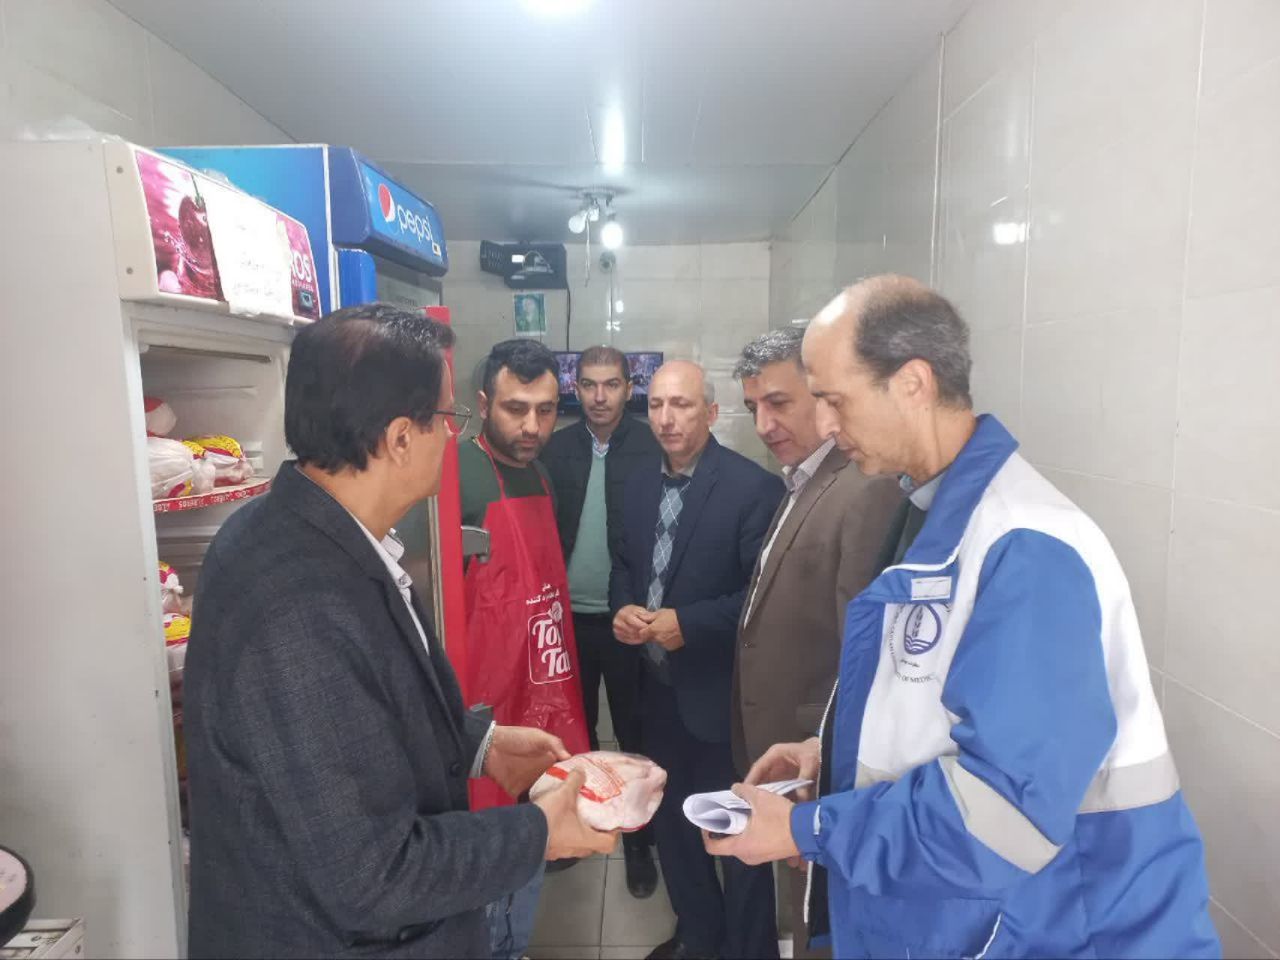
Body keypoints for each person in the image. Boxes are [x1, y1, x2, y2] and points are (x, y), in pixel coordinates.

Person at [705, 277, 1220, 959]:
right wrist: (832, 758)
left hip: (1060, 930)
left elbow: (1002, 813)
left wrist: (811, 829)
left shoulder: (1025, 547)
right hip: (981, 918)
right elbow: (932, 702)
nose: (824, 425)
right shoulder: (929, 514)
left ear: (912, 383)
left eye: (835, 399)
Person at [184, 304, 616, 960]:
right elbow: (373, 874)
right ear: (400, 439)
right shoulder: (296, 603)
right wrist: (537, 832)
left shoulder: (321, 536)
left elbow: (361, 715)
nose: (452, 436)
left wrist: (482, 744)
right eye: (446, 417)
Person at [730, 327, 901, 958]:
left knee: (820, 927)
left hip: (818, 765)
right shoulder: (805, 477)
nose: (764, 424)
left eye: (779, 402)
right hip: (790, 756)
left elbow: (865, 657)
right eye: (753, 407)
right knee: (799, 921)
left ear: (824, 394)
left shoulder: (863, 487)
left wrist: (824, 774)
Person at [611, 360, 785, 960]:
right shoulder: (637, 484)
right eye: (656, 404)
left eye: (681, 404)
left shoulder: (752, 489)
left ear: (710, 412)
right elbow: (625, 565)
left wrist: (688, 624)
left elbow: (760, 600)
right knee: (674, 828)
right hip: (656, 691)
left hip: (721, 698)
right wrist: (622, 607)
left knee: (733, 828)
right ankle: (698, 936)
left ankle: (749, 949)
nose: (666, 418)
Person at [457, 337, 592, 958]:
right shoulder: (456, 473)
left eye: (545, 410)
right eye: (516, 409)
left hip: (541, 678)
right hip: (482, 700)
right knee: (483, 859)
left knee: (528, 847)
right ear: (484, 403)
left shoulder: (540, 474)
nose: (533, 426)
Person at [540, 345, 662, 898]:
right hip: (565, 620)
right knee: (577, 733)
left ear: (629, 389)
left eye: (611, 384)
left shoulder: (651, 447)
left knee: (635, 731)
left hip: (627, 619)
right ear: (575, 388)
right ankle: (584, 827)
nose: (599, 396)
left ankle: (638, 841)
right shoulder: (556, 447)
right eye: (588, 384)